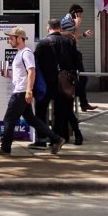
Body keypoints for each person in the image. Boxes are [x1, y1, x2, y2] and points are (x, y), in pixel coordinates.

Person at [0, 27, 65, 156]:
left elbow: (32, 71)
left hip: (21, 92)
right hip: (21, 90)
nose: (9, 40)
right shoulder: (19, 53)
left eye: (11, 38)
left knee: (9, 119)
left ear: (19, 38)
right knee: (32, 119)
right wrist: (8, 74)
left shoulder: (26, 53)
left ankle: (5, 147)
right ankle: (57, 139)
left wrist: (28, 90)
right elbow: (22, 74)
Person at [32, 18, 79, 148]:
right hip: (63, 83)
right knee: (60, 112)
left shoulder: (42, 43)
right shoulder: (68, 42)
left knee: (41, 110)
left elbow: (35, 63)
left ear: (48, 28)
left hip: (45, 83)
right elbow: (76, 61)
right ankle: (56, 140)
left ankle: (41, 140)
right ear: (60, 28)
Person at [61, 4, 99, 111]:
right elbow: (73, 38)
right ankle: (80, 102)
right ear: (74, 13)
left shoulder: (69, 21)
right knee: (80, 79)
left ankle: (83, 103)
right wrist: (78, 25)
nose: (80, 16)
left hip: (73, 53)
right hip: (69, 55)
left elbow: (74, 36)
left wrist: (84, 35)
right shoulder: (67, 21)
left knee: (83, 78)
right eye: (79, 14)